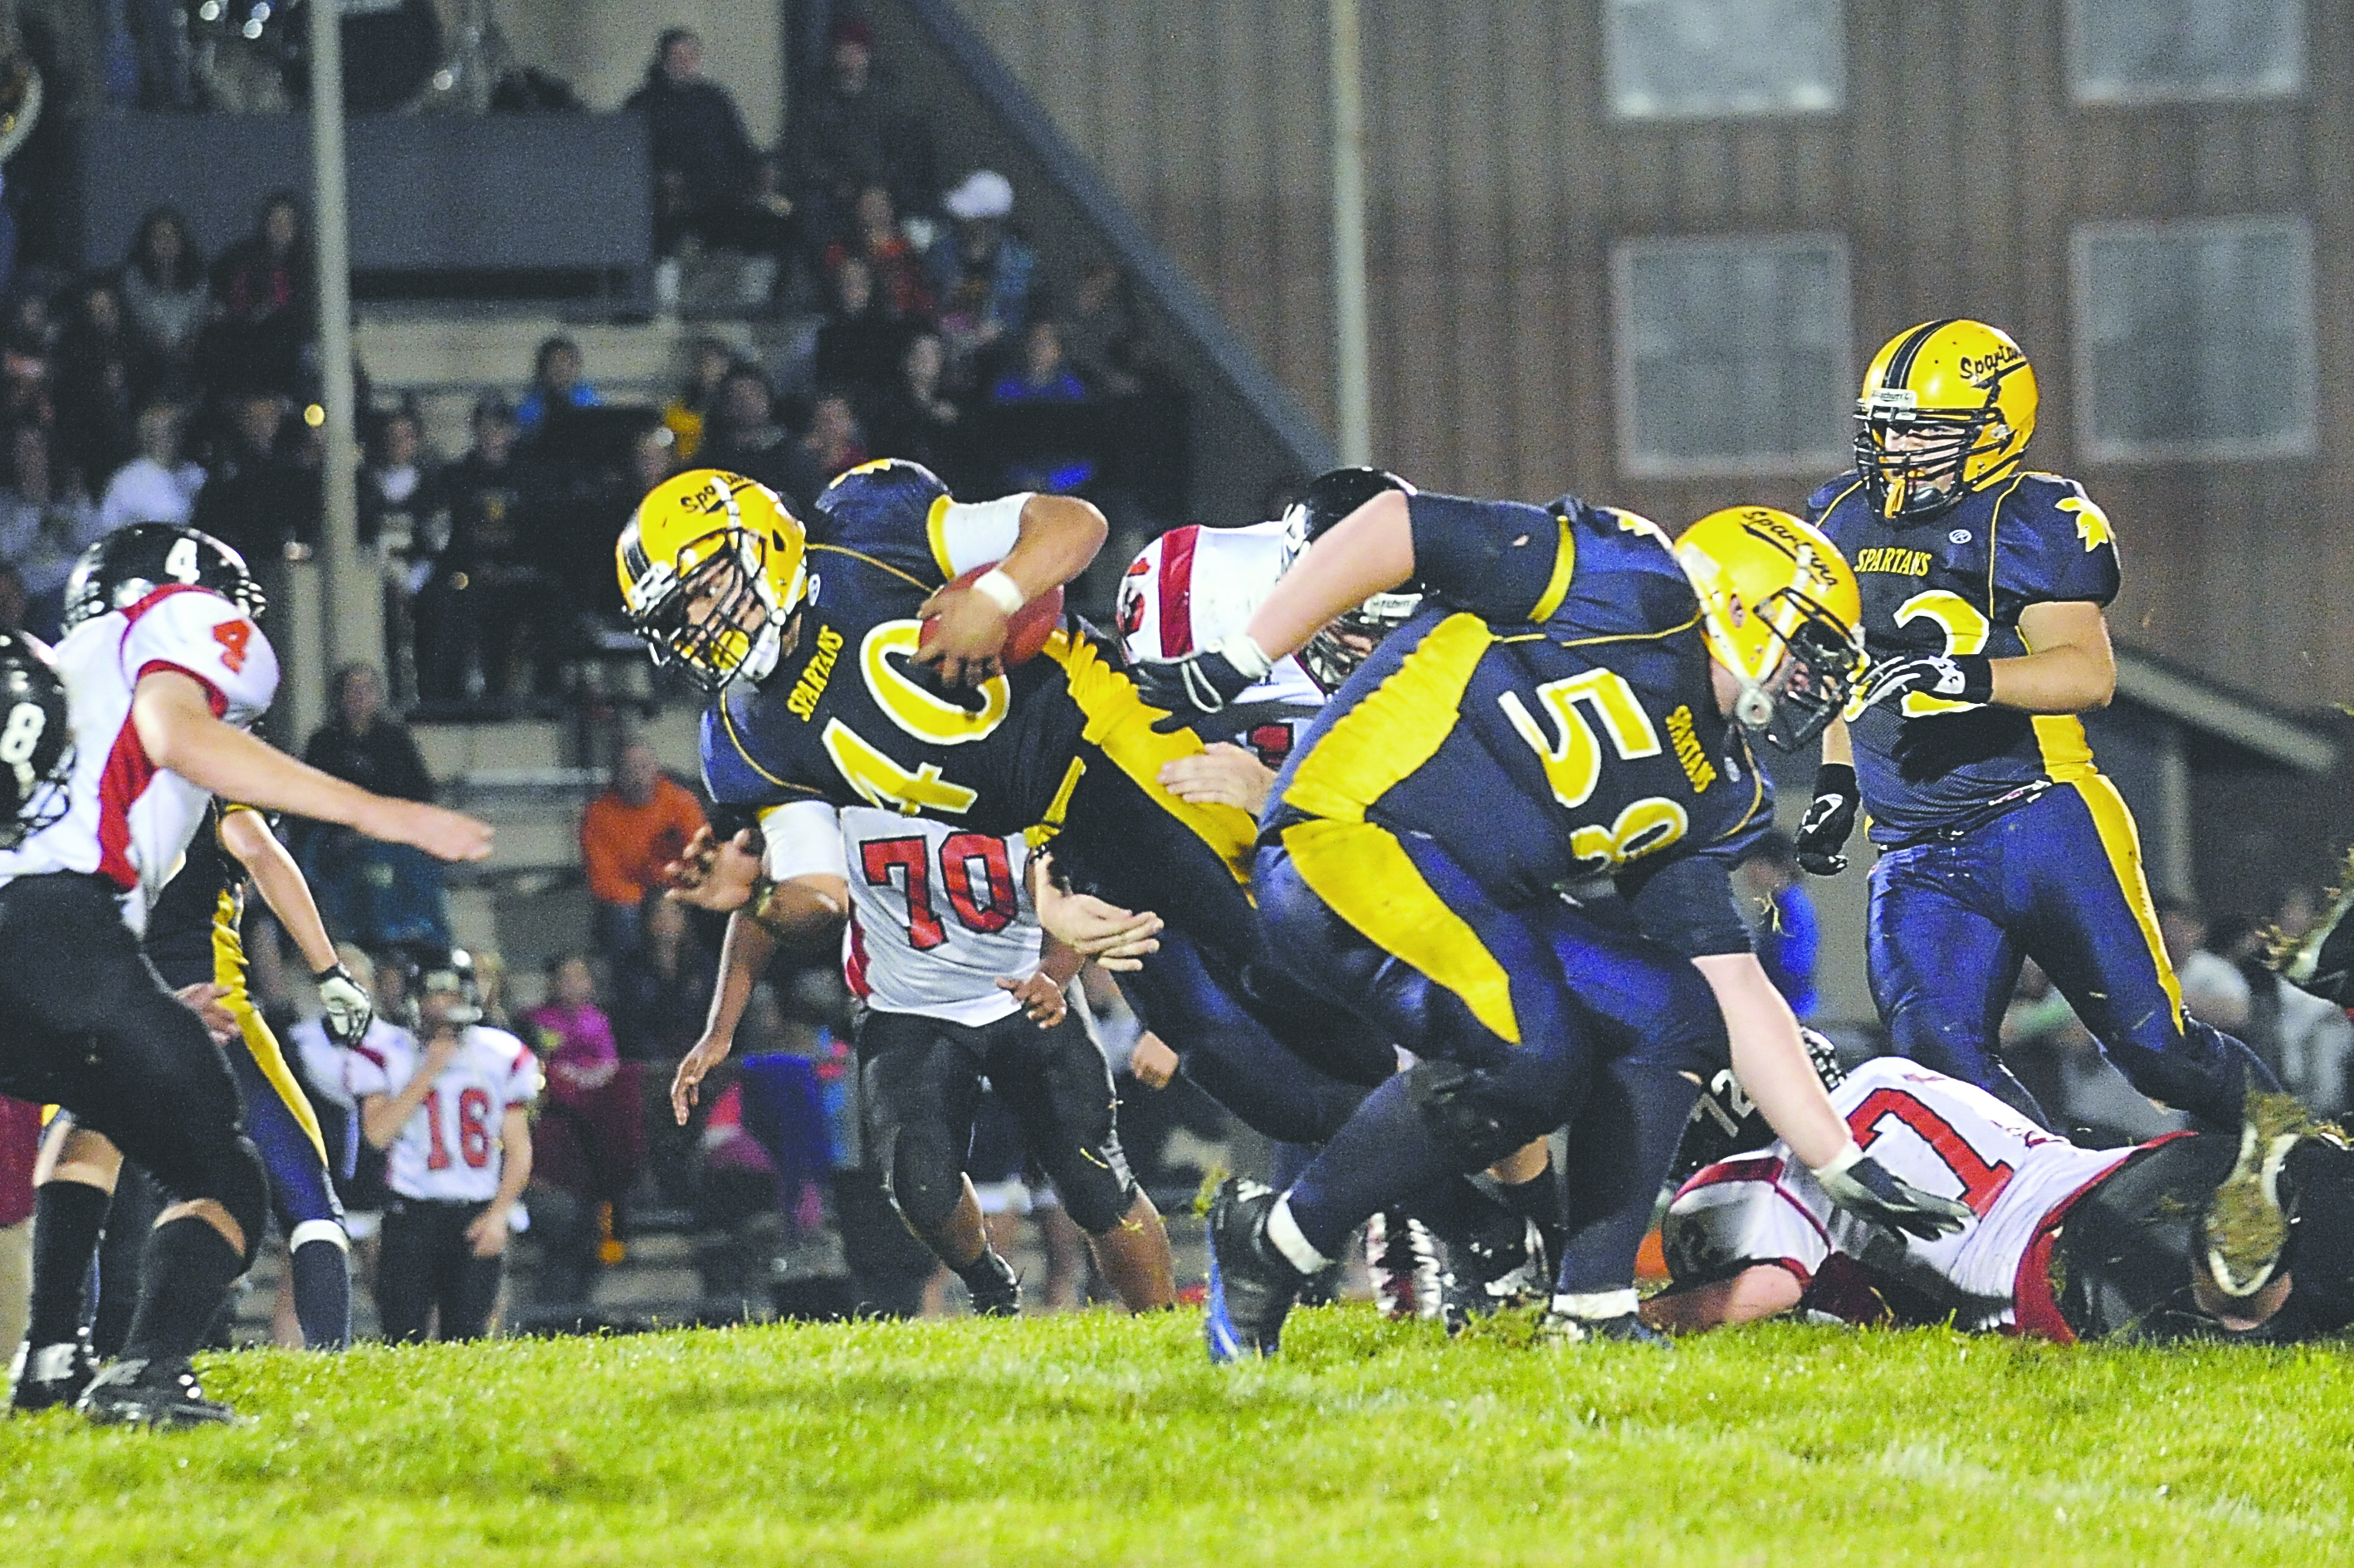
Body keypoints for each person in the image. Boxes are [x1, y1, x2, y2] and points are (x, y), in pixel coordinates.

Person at [1135, 496, 1971, 1356]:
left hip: (1478, 898)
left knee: (1675, 1010)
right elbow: (1396, 524)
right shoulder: (1625, 577)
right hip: (1348, 834)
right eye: (1808, 646)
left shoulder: (1721, 784)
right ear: (1736, 602)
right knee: (1537, 1050)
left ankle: (1592, 1303)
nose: (1813, 682)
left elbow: (1731, 981)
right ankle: (1277, 1244)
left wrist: (1836, 1159)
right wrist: (1244, 653)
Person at [624, 465, 1449, 1248]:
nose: (699, 623)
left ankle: (1478, 1133)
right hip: (1061, 848)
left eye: (703, 590)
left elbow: (1070, 523)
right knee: (1240, 1065)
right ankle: (1461, 1210)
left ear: (761, 539)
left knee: (1292, 972)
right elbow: (820, 896)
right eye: (678, 616)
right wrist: (755, 897)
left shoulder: (864, 530)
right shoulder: (744, 733)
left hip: (1114, 746)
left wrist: (996, 595)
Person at [0, 524, 489, 1424]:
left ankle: (49, 1355)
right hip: (65, 927)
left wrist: (132, 995)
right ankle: (146, 1372)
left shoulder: (55, 667)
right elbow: (178, 732)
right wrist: (375, 810)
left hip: (41, 948)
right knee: (226, 1177)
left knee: (95, 1110)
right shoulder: (171, 625)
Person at [1795, 320, 2278, 1131]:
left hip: (2038, 820)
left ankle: (2292, 1149)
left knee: (2157, 1051)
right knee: (1938, 1072)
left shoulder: (2031, 516)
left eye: (1923, 431)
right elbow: (1856, 675)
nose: (1896, 449)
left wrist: (1966, 675)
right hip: (1915, 851)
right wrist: (1837, 781)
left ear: (1995, 428)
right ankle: (2049, 1198)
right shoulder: (1841, 515)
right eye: (1887, 428)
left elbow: (2088, 673)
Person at [686, 797, 1176, 1316]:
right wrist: (719, 1030)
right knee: (919, 1187)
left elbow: (1082, 888)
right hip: (906, 1008)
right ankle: (987, 1280)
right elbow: (768, 909)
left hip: (1027, 989)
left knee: (1094, 1179)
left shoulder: (1015, 771)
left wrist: (1055, 973)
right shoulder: (831, 787)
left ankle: (1162, 1322)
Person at [14, 794, 374, 1385]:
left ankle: (57, 1349)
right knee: (303, 1198)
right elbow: (258, 848)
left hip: (101, 1015)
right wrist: (329, 969)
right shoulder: (205, 783)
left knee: (76, 1179)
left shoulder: (83, 790)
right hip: (212, 1015)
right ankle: (326, 1362)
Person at [1648, 1053, 2354, 1346]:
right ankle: (2284, 1209)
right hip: (2149, 1166)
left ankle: (2241, 1284)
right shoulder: (1890, 1072)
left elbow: (1763, 1289)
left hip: (2067, 1258)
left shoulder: (1761, 1165)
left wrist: (1631, 1315)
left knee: (2244, 1317)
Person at [349, 949, 536, 1344]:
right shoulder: (385, 1050)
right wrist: (429, 1070)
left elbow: (519, 1148)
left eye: (451, 994)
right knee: (402, 1336)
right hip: (411, 1210)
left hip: (475, 1210)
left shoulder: (501, 1053)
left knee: (468, 1339)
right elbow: (376, 1135)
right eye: (434, 994)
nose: (443, 1005)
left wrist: (498, 1214)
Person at [298, 664, 450, 949]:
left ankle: (424, 936)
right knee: (372, 862)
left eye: (367, 689)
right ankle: (378, 936)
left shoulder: (395, 740)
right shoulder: (325, 743)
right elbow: (312, 799)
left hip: (395, 833)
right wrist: (349, 830)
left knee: (416, 863)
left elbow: (418, 793)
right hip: (341, 837)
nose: (360, 697)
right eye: (353, 690)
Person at [580, 738, 708, 962]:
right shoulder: (598, 815)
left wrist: (673, 896)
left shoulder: (681, 802)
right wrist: (652, 905)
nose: (638, 777)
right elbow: (604, 880)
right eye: (629, 770)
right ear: (616, 775)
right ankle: (636, 978)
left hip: (679, 892)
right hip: (632, 904)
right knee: (622, 918)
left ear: (656, 769)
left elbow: (703, 855)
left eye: (643, 767)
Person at [206, 192, 314, 396]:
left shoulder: (307, 266)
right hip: (242, 334)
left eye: (287, 222)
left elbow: (305, 310)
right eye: (275, 221)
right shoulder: (241, 256)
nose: (280, 228)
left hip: (286, 339)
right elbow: (220, 289)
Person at [120, 207, 208, 399]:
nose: (166, 243)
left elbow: (198, 320)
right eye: (159, 237)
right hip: (148, 354)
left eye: (172, 237)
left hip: (188, 353)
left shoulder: (198, 279)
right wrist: (158, 340)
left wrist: (189, 341)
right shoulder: (135, 278)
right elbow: (139, 319)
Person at [1733, 830, 1820, 1020]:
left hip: (1794, 1008)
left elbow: (1794, 965)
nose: (1749, 871)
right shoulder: (1776, 905)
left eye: (1757, 864)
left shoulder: (1791, 906)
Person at [99, 402, 204, 535]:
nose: (165, 439)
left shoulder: (197, 475)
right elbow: (109, 530)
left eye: (171, 431)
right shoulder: (124, 481)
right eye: (157, 433)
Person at [515, 335, 602, 436]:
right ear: (543, 369)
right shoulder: (532, 404)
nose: (563, 370)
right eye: (556, 365)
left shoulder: (587, 399)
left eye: (569, 364)